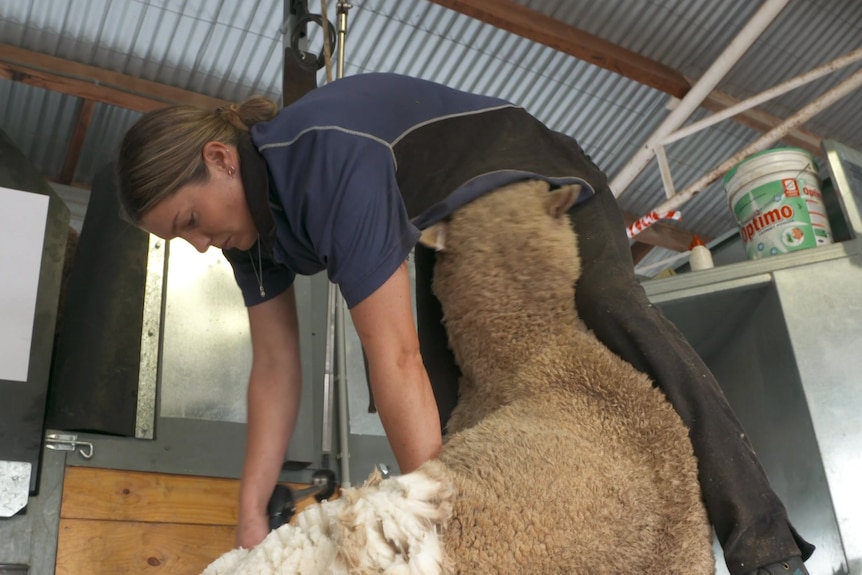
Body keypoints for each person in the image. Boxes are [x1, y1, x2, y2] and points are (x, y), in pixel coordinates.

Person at [116, 72, 813, 575]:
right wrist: (245, 527)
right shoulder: (252, 241)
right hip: (435, 227)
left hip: (523, 170)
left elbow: (393, 357)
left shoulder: (323, 159)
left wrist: (442, 543)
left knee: (612, 306)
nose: (201, 244)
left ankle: (765, 543)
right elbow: (273, 370)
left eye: (191, 222)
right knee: (454, 412)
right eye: (183, 241)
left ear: (219, 159)